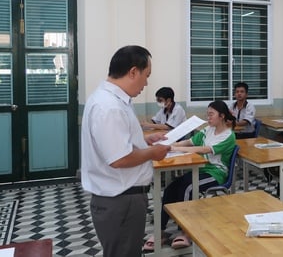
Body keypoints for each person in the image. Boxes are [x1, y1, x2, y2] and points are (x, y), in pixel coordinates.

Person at [81, 45, 170, 257]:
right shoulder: (109, 106)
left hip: (122, 199)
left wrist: (146, 141)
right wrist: (153, 153)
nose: (146, 83)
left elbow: (119, 143)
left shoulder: (114, 101)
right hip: (121, 201)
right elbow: (119, 159)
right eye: (146, 76)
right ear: (132, 72)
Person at [143, 100, 236, 251]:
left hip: (215, 173)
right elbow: (190, 142)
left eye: (211, 114)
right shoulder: (208, 130)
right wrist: (168, 146)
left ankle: (186, 232)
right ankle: (160, 231)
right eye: (207, 114)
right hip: (200, 169)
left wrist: (174, 148)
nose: (208, 118)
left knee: (188, 189)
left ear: (222, 116)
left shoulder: (228, 136)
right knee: (171, 189)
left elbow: (204, 149)